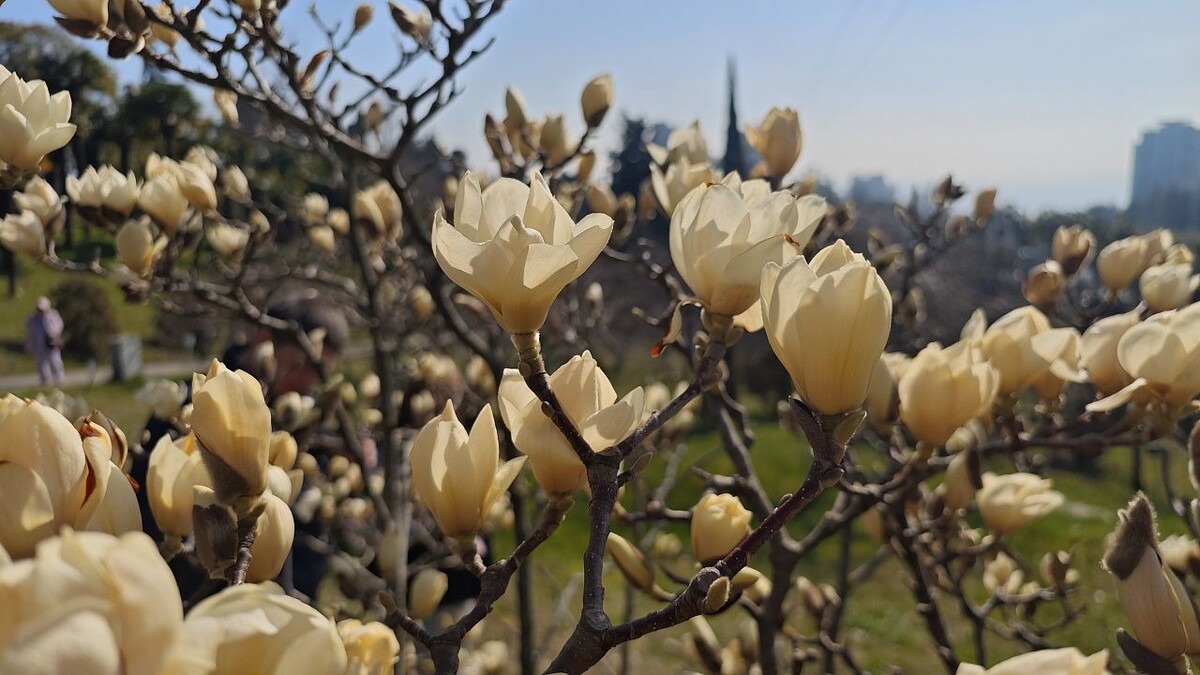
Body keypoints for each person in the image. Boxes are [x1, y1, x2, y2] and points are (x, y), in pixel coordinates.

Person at [26, 296, 65, 386]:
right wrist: (30, 345)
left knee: (55, 360)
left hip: (51, 343)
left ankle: (59, 378)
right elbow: (30, 332)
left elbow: (58, 326)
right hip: (39, 344)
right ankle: (44, 379)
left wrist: (53, 334)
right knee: (41, 362)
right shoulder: (33, 319)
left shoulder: (53, 316)